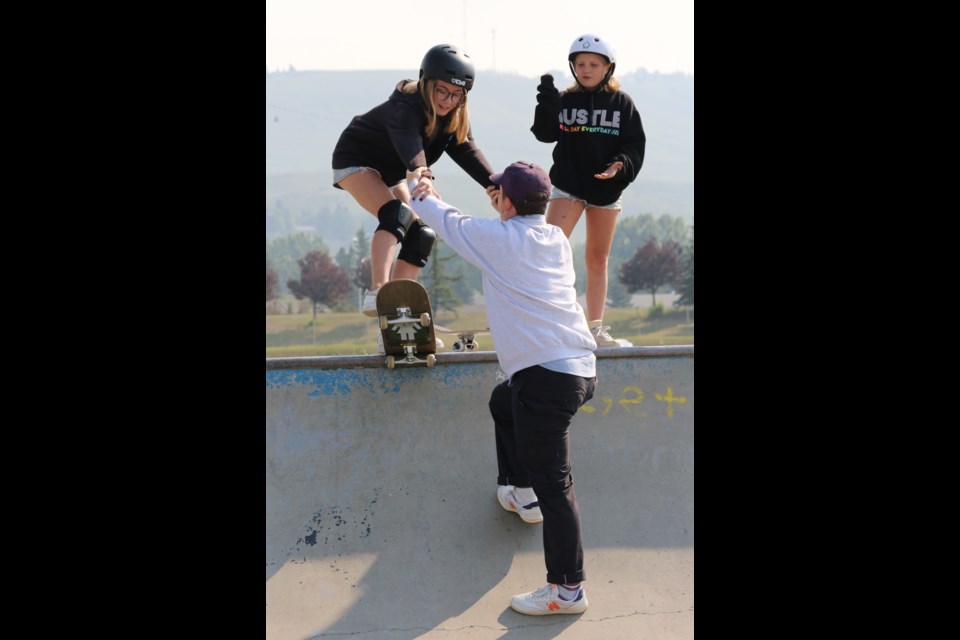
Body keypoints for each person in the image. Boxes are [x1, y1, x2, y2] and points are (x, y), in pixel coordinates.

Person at [408, 161, 598, 616]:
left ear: (507, 201)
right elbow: (514, 224)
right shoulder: (553, 238)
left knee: (558, 485)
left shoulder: (497, 241)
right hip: (578, 368)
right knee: (503, 401)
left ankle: (567, 590)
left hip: (547, 379)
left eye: (498, 194)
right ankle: (521, 490)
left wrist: (422, 185)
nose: (493, 198)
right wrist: (509, 202)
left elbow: (440, 216)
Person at [331, 44, 496, 351]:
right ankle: (378, 292)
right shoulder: (406, 106)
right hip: (356, 160)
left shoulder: (454, 117)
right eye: (441, 91)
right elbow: (409, 143)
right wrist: (422, 173)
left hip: (392, 170)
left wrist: (495, 185)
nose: (447, 101)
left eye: (455, 94)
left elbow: (468, 150)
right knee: (396, 214)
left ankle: (394, 322)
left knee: (421, 235)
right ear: (426, 84)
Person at [531, 33, 646, 347]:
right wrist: (547, 105)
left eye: (594, 64)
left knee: (597, 259)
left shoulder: (622, 103)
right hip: (569, 186)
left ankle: (595, 328)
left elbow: (634, 144)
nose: (585, 69)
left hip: (606, 190)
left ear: (608, 67)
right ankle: (546, 322)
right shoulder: (566, 100)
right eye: (580, 63)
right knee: (548, 252)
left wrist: (619, 165)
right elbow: (545, 134)